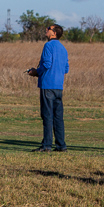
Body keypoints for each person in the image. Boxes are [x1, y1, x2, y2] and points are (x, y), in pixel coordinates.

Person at [27, 24, 70, 152]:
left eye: (49, 29)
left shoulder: (48, 45)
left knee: (47, 115)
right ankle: (61, 145)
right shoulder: (63, 48)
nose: (46, 30)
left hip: (47, 84)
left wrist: (36, 72)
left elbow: (46, 64)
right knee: (58, 116)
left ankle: (46, 145)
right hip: (58, 85)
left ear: (54, 33)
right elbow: (66, 68)